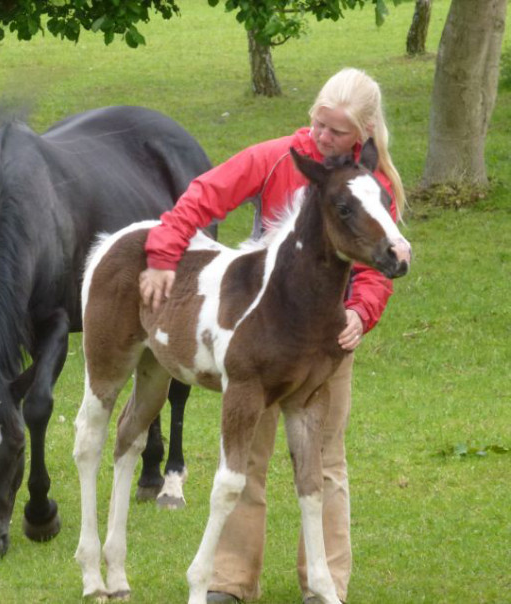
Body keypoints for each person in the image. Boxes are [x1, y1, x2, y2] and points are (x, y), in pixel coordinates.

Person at [138, 68, 405, 604]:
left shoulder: (373, 184)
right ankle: (230, 582)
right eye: (318, 123)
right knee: (246, 454)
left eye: (335, 131)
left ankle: (324, 584)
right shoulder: (280, 157)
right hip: (261, 328)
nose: (321, 138)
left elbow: (379, 257)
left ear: (364, 133)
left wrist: (362, 310)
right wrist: (163, 255)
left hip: (329, 336)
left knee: (326, 459)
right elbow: (204, 195)